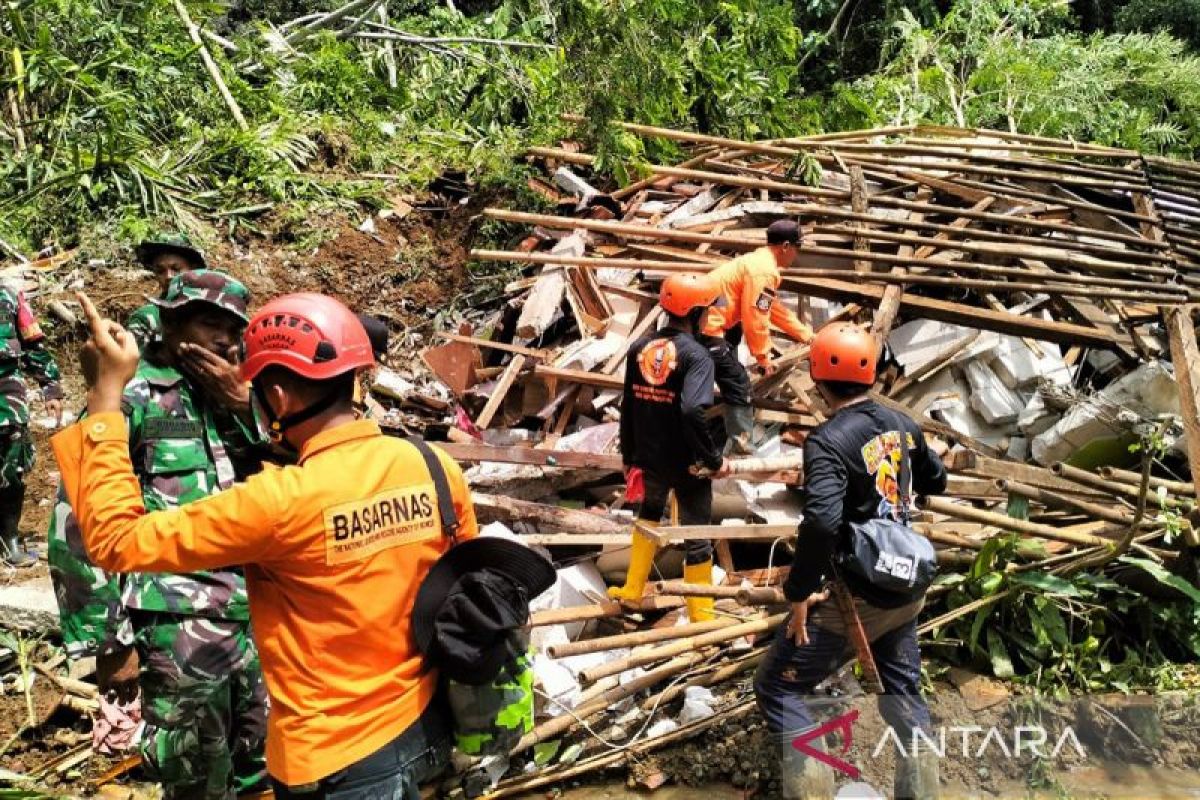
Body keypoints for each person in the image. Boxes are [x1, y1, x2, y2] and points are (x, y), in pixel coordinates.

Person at [54, 291, 478, 798]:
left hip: (334, 758)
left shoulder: (278, 503)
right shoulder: (432, 467)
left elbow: (116, 540)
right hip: (424, 729)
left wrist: (103, 397)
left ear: (277, 398)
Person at [48, 270, 268, 799]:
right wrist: (108, 642)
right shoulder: (131, 396)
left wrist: (243, 403)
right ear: (170, 324)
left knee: (263, 768)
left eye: (232, 327)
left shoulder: (238, 396)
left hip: (256, 614)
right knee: (193, 774)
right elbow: (77, 519)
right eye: (207, 321)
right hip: (178, 626)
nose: (223, 338)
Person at [752, 323, 947, 799]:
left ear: (817, 378)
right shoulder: (902, 424)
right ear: (874, 374)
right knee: (902, 694)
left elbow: (820, 522)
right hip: (905, 587)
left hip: (855, 597)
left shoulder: (827, 441)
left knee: (777, 688)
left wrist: (797, 594)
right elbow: (936, 480)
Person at [610, 273, 730, 623]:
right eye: (706, 310)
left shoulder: (639, 349)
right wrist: (711, 457)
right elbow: (693, 410)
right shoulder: (697, 357)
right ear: (694, 312)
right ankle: (702, 615)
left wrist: (628, 455)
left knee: (648, 516)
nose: (710, 316)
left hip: (649, 456)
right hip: (687, 462)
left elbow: (628, 405)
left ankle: (633, 590)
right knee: (697, 534)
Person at [700, 219, 814, 453]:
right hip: (708, 327)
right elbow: (755, 315)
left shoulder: (758, 262)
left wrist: (806, 336)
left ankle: (720, 426)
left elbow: (771, 309)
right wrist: (763, 357)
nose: (796, 254)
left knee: (729, 370)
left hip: (714, 320)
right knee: (739, 383)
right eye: (797, 248)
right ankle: (742, 446)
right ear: (785, 246)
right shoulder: (763, 270)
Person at [0, 280, 63, 566]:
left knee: (12, 465)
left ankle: (8, 540)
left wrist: (50, 386)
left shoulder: (10, 296)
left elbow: (33, 342)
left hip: (5, 389)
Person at [127, 233, 207, 349]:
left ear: (193, 269)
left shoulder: (212, 312)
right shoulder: (147, 318)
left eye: (176, 269)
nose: (168, 276)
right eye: (160, 271)